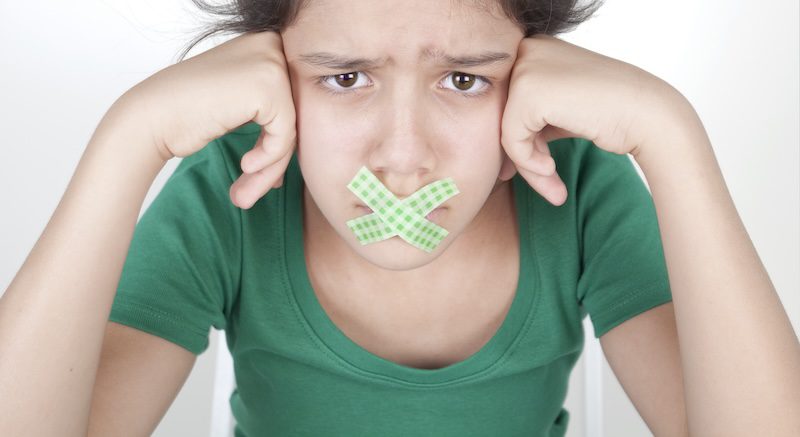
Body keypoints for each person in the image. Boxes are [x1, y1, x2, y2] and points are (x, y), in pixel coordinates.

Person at [1, 0, 798, 436]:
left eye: (462, 80)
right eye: (346, 77)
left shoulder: (575, 184)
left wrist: (671, 133)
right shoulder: (238, 184)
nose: (404, 158)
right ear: (272, 76)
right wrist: (127, 139)